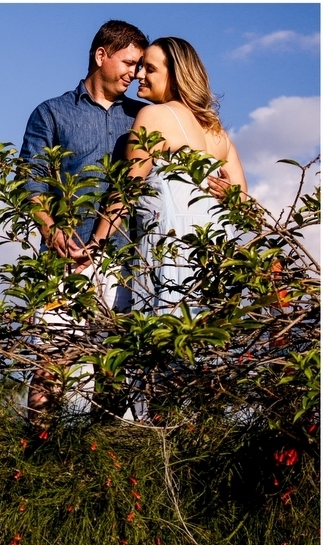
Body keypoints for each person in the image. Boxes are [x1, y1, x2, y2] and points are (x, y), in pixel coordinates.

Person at [88, 37, 248, 421]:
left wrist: (96, 244)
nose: (139, 75)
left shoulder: (154, 117)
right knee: (200, 362)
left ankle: (156, 446)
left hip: (169, 256)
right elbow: (244, 205)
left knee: (158, 360)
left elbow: (128, 188)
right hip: (212, 261)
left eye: (150, 68)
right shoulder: (217, 132)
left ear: (175, 76)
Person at [20, 20, 149, 419]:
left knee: (115, 368)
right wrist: (51, 230)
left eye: (139, 65)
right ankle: (37, 448)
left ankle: (102, 453)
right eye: (128, 62)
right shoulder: (51, 113)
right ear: (101, 55)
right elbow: (31, 181)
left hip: (125, 259)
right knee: (52, 362)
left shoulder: (144, 117)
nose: (135, 73)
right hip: (67, 256)